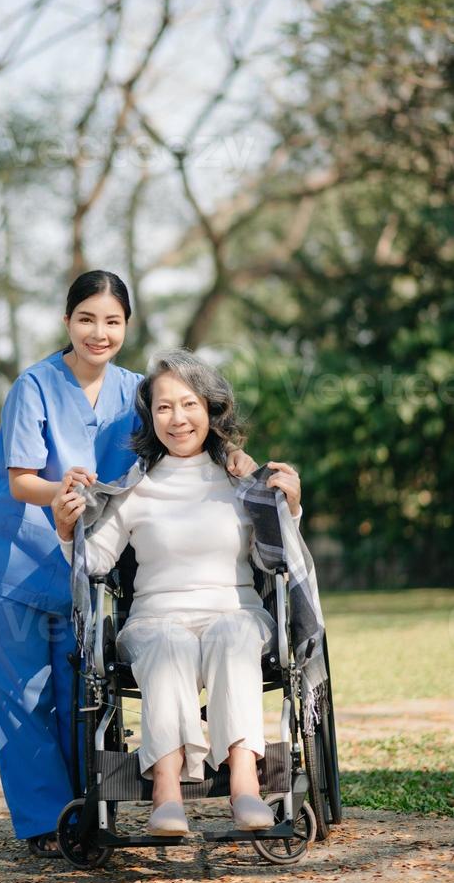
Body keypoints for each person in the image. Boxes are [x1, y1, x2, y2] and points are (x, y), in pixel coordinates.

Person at [0, 272, 257, 856]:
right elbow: (20, 481)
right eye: (87, 319)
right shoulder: (34, 386)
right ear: (68, 321)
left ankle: (86, 814)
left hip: (90, 567)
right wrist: (64, 495)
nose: (99, 332)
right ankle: (48, 825)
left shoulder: (135, 392)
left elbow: (182, 437)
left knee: (79, 693)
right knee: (24, 698)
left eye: (112, 321)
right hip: (15, 560)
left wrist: (234, 454)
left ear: (127, 326)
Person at [52, 349, 303, 836]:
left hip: (237, 613)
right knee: (167, 643)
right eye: (163, 407)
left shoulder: (240, 480)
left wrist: (289, 507)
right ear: (151, 417)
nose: (177, 418)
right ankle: (166, 793)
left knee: (232, 634)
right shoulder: (133, 489)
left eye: (188, 404)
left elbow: (277, 558)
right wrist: (67, 530)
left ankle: (245, 786)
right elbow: (95, 563)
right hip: (154, 621)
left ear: (210, 409)